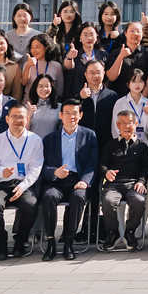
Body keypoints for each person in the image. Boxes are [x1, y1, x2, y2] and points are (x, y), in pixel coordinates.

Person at [39, 99, 98, 259]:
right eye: (67, 113)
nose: (71, 116)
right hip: (56, 181)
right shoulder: (49, 139)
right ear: (60, 115)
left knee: (78, 197)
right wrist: (54, 172)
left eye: (74, 113)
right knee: (49, 196)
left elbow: (92, 163)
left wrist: (85, 181)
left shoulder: (89, 135)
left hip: (77, 180)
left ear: (80, 115)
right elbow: (42, 166)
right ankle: (50, 242)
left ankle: (68, 242)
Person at [0, 101, 41, 260]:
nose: (18, 120)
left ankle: (20, 242)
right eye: (14, 116)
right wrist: (2, 171)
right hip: (0, 184)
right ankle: (0, 244)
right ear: (7, 119)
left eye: (21, 117)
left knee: (30, 204)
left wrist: (23, 186)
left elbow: (36, 168)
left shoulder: (35, 140)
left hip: (24, 184)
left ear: (27, 119)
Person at [100, 106, 148, 251]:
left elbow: (146, 167)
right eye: (122, 123)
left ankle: (130, 232)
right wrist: (106, 172)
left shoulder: (142, 146)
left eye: (130, 122)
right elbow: (102, 164)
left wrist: (141, 182)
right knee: (108, 200)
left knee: (139, 201)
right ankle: (113, 233)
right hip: (114, 185)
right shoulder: (110, 144)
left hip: (133, 184)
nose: (126, 126)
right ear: (118, 125)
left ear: (135, 124)